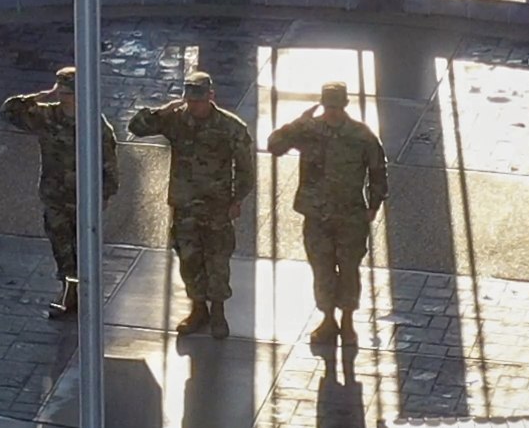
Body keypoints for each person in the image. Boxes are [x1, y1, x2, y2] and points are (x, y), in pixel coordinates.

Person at [125, 68, 255, 338]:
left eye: (199, 100)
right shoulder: (176, 121)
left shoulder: (231, 128)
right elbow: (135, 127)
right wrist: (164, 110)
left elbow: (245, 170)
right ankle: (198, 309)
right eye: (190, 101)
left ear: (211, 96)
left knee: (217, 260)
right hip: (185, 206)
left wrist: (237, 199)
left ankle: (218, 311)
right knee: (189, 259)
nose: (194, 106)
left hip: (217, 207)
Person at [265, 80, 392, 355]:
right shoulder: (309, 131)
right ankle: (328, 319)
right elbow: (274, 146)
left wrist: (374, 204)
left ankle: (347, 322)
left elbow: (378, 170)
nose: (332, 112)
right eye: (328, 106)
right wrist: (297, 125)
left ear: (345, 105)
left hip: (350, 216)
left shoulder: (361, 136)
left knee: (348, 270)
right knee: (321, 270)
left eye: (336, 106)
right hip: (317, 215)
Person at [0, 66, 120, 320]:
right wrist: (41, 96)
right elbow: (9, 111)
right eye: (63, 92)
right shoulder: (47, 116)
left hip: (84, 198)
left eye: (70, 92)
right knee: (60, 244)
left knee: (83, 246)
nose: (66, 97)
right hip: (55, 194)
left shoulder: (95, 124)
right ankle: (69, 289)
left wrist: (104, 195)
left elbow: (109, 163)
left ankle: (84, 292)